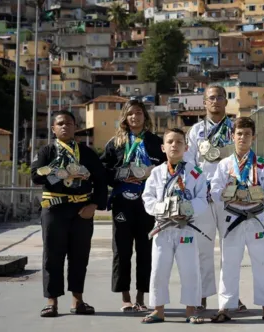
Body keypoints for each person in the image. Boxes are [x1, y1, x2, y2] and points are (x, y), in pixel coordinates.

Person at [31, 110, 108, 317]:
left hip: (81, 211)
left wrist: (94, 206)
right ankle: (51, 301)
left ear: (76, 127)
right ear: (53, 129)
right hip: (54, 209)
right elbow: (36, 176)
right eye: (60, 123)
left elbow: (101, 180)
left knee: (79, 256)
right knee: (52, 256)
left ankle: (78, 301)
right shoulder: (46, 151)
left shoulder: (87, 152)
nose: (65, 126)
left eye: (69, 123)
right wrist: (61, 173)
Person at [209, 117, 264, 323]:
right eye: (239, 134)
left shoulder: (261, 163)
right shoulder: (224, 165)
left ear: (253, 137)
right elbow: (214, 190)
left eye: (247, 134)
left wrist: (260, 196)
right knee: (229, 264)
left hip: (255, 216)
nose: (243, 137)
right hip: (232, 217)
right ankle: (225, 308)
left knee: (261, 263)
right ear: (233, 136)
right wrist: (228, 194)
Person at [101, 99, 167, 312]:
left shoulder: (156, 142)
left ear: (145, 117)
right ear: (125, 117)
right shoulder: (116, 143)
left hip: (148, 204)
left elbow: (168, 168)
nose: (135, 117)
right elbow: (102, 170)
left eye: (139, 113)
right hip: (122, 203)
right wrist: (120, 174)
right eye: (130, 113)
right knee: (121, 249)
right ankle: (125, 298)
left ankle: (141, 296)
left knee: (146, 249)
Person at [185, 84, 246, 312]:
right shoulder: (195, 131)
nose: (216, 101)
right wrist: (201, 186)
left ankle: (232, 296)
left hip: (230, 195)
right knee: (203, 248)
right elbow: (190, 163)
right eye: (211, 97)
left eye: (220, 97)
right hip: (204, 196)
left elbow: (245, 159)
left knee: (232, 249)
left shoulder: (235, 128)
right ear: (204, 102)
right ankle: (202, 295)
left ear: (226, 101)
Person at [141, 128, 209, 324]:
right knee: (159, 270)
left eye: (179, 142)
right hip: (163, 228)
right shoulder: (156, 172)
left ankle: (190, 310)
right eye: (170, 141)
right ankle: (158, 310)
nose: (174, 145)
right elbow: (148, 198)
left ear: (186, 147)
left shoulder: (195, 173)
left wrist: (186, 209)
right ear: (163, 147)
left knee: (190, 270)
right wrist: (163, 209)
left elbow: (203, 199)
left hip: (185, 227)